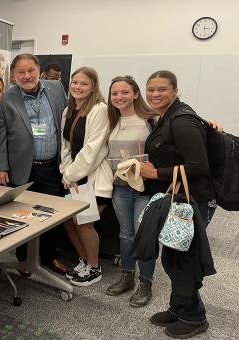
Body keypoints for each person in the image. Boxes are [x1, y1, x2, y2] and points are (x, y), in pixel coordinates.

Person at [139, 70, 216, 339]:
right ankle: (178, 307)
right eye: (151, 90)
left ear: (175, 90)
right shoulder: (167, 117)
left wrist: (156, 174)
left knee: (183, 261)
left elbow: (198, 166)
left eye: (161, 89)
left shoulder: (181, 121)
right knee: (173, 257)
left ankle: (195, 317)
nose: (155, 94)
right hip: (177, 198)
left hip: (193, 201)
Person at [0, 53, 68, 276]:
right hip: (22, 167)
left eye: (31, 70)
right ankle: (24, 258)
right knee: (22, 214)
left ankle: (49, 255)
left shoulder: (56, 89)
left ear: (39, 70)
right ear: (13, 75)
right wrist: (0, 166)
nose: (27, 76)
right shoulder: (6, 98)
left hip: (52, 166)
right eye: (21, 72)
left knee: (52, 214)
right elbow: (1, 135)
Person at [104, 76, 159, 305]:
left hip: (144, 188)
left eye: (125, 92)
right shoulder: (110, 119)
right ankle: (127, 275)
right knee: (126, 233)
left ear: (136, 94)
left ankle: (146, 283)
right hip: (120, 187)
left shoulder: (151, 119)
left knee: (143, 234)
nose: (119, 97)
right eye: (115, 93)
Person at [59, 66, 113, 286]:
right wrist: (66, 171)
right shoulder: (69, 110)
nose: (78, 87)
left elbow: (95, 149)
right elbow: (66, 145)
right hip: (71, 178)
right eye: (75, 82)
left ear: (93, 87)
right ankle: (84, 260)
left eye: (84, 83)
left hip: (93, 178)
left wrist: (71, 173)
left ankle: (94, 267)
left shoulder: (100, 109)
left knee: (84, 223)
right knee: (69, 222)